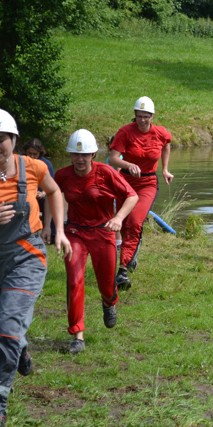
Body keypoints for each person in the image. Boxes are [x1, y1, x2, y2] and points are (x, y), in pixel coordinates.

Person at [0, 109, 72, 426]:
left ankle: (0, 399)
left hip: (25, 256)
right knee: (8, 328)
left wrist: (58, 230)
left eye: (0, 139)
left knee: (6, 329)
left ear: (13, 140)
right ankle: (21, 346)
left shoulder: (33, 167)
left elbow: (55, 191)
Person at [54, 129, 138, 354]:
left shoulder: (106, 173)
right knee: (74, 280)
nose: (80, 160)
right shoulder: (63, 175)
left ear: (93, 155)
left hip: (103, 232)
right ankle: (77, 335)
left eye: (85, 155)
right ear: (70, 155)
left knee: (106, 283)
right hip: (75, 233)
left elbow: (132, 196)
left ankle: (109, 301)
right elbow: (52, 193)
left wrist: (118, 218)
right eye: (75, 155)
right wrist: (52, 228)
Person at [108, 96, 173, 290]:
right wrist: (128, 164)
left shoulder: (160, 133)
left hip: (148, 183)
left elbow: (167, 145)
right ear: (134, 115)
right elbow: (113, 159)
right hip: (126, 182)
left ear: (152, 116)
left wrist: (165, 169)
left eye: (146, 116)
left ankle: (122, 270)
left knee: (135, 222)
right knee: (124, 223)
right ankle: (132, 251)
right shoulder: (125, 132)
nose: (142, 120)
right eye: (139, 116)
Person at [22, 138, 56, 241]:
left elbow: (52, 187)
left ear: (40, 154)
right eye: (29, 153)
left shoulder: (46, 164)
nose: (32, 157)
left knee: (51, 200)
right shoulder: (20, 162)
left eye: (35, 154)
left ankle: (50, 231)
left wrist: (43, 193)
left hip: (42, 195)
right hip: (26, 195)